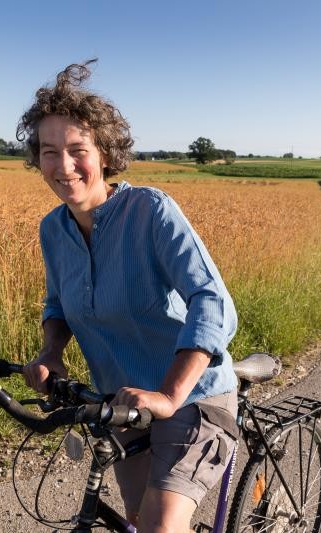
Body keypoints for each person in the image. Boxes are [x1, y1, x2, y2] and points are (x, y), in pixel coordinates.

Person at [19, 60, 238, 533]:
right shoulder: (53, 229)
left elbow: (211, 300)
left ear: (104, 153)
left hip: (194, 397)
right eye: (49, 151)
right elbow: (58, 304)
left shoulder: (151, 211)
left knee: (160, 528)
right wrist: (50, 353)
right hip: (121, 403)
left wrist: (168, 394)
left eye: (78, 149)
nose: (63, 165)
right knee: (137, 521)